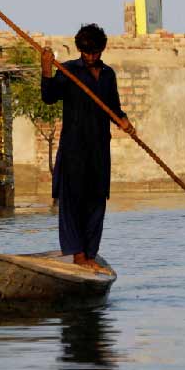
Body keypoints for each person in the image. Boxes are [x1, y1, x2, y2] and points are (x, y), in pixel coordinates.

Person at [41, 24, 135, 272]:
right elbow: (49, 97)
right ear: (80, 50)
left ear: (102, 49)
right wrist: (47, 67)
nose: (91, 57)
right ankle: (79, 254)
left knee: (96, 198)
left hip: (99, 147)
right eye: (86, 52)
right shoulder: (69, 71)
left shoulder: (107, 75)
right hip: (74, 148)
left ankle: (90, 253)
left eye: (95, 52)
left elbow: (113, 107)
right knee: (72, 200)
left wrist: (123, 121)